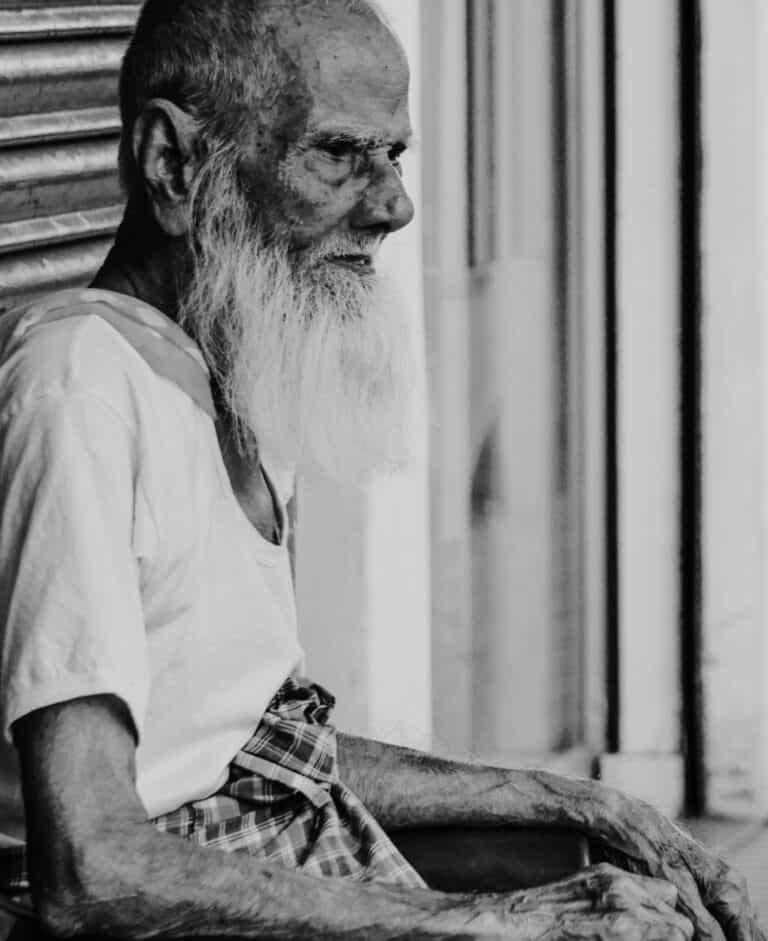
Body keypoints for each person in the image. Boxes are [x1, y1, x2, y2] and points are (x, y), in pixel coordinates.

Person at [0, 1, 761, 938]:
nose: (395, 205)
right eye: (338, 154)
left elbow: (254, 755)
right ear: (174, 164)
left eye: (394, 155)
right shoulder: (78, 388)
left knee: (632, 888)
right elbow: (92, 867)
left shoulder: (232, 369)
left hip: (273, 859)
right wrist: (489, 923)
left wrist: (586, 803)